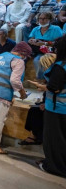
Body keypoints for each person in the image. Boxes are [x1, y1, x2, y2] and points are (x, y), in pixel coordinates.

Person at [29, 36, 66, 177]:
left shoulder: (60, 66)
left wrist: (40, 86)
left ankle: (55, 167)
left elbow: (54, 88)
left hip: (58, 108)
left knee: (55, 140)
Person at [28, 12, 63, 80]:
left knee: (41, 61)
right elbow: (30, 39)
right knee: (36, 60)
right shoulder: (36, 29)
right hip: (39, 50)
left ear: (50, 19)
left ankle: (44, 80)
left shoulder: (56, 29)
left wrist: (44, 43)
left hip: (52, 51)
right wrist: (33, 41)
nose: (42, 20)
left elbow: (60, 43)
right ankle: (40, 80)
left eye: (44, 18)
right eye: (40, 18)